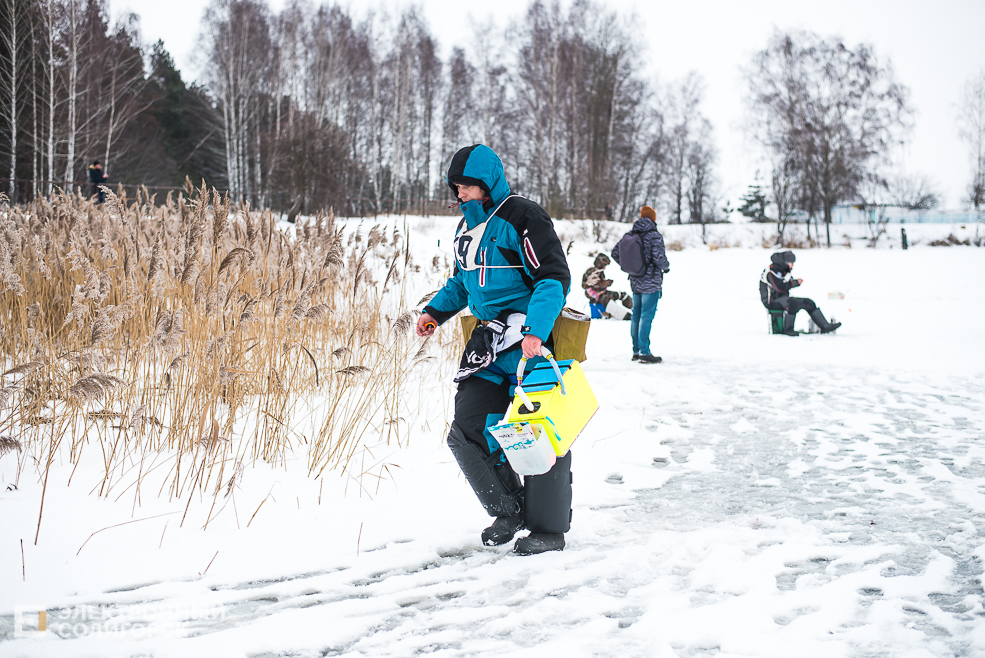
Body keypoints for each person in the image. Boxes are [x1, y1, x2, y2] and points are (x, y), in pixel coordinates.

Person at [416, 144, 573, 556]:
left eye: (466, 185)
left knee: (539, 431)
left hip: (531, 343)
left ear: (487, 183)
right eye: (455, 186)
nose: (459, 193)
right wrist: (435, 312)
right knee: (468, 426)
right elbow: (461, 282)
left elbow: (553, 277)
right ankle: (509, 510)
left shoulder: (523, 216)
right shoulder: (465, 228)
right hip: (489, 343)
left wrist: (536, 330)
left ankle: (548, 529)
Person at [610, 205, 669, 364]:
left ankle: (636, 351)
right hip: (651, 282)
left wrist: (630, 266)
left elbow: (615, 253)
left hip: (635, 281)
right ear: (653, 219)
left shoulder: (631, 234)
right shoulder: (654, 236)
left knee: (636, 315)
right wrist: (666, 267)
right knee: (646, 316)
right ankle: (644, 352)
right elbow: (659, 258)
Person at [760, 250, 842, 336]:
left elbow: (785, 284)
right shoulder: (773, 270)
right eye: (791, 263)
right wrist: (795, 283)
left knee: (808, 302)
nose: (792, 265)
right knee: (793, 303)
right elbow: (779, 287)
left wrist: (793, 282)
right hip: (771, 301)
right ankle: (788, 330)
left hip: (781, 298)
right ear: (785, 262)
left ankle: (825, 326)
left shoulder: (783, 270)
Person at [582, 253, 632, 317]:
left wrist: (605, 283)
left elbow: (598, 284)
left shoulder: (599, 272)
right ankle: (626, 316)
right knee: (609, 300)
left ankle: (633, 308)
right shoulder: (592, 272)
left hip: (601, 293)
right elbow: (594, 286)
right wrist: (605, 284)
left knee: (620, 295)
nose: (605, 267)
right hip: (595, 295)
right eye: (604, 265)